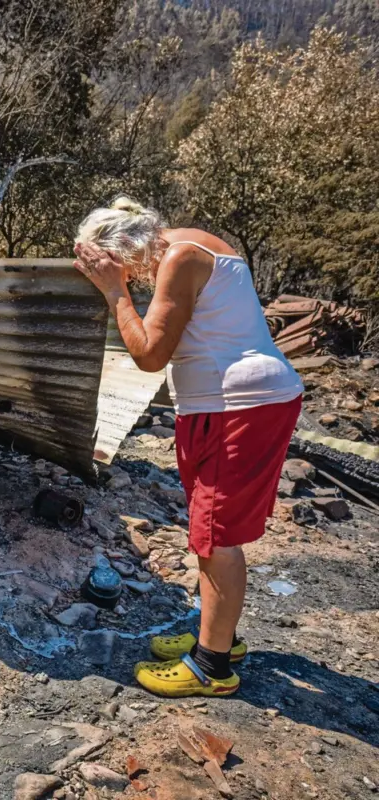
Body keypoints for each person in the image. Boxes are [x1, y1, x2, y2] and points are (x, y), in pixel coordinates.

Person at [72, 197, 304, 698]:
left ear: (127, 251)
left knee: (216, 536)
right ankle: (217, 634)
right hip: (229, 403)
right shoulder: (188, 241)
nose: (133, 280)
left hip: (239, 406)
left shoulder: (178, 259)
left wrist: (115, 294)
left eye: (126, 271)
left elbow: (150, 355)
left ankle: (212, 667)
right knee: (207, 527)